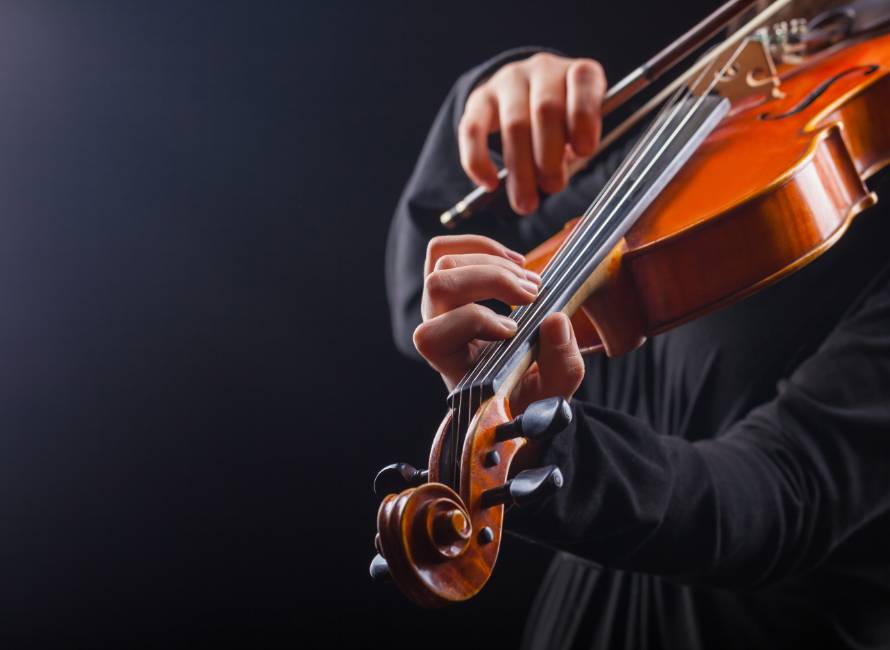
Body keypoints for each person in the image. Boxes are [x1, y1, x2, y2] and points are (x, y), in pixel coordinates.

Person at [385, 47, 890, 650]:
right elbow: (437, 291)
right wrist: (491, 112)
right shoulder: (753, 97)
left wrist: (553, 443)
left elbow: (784, 492)